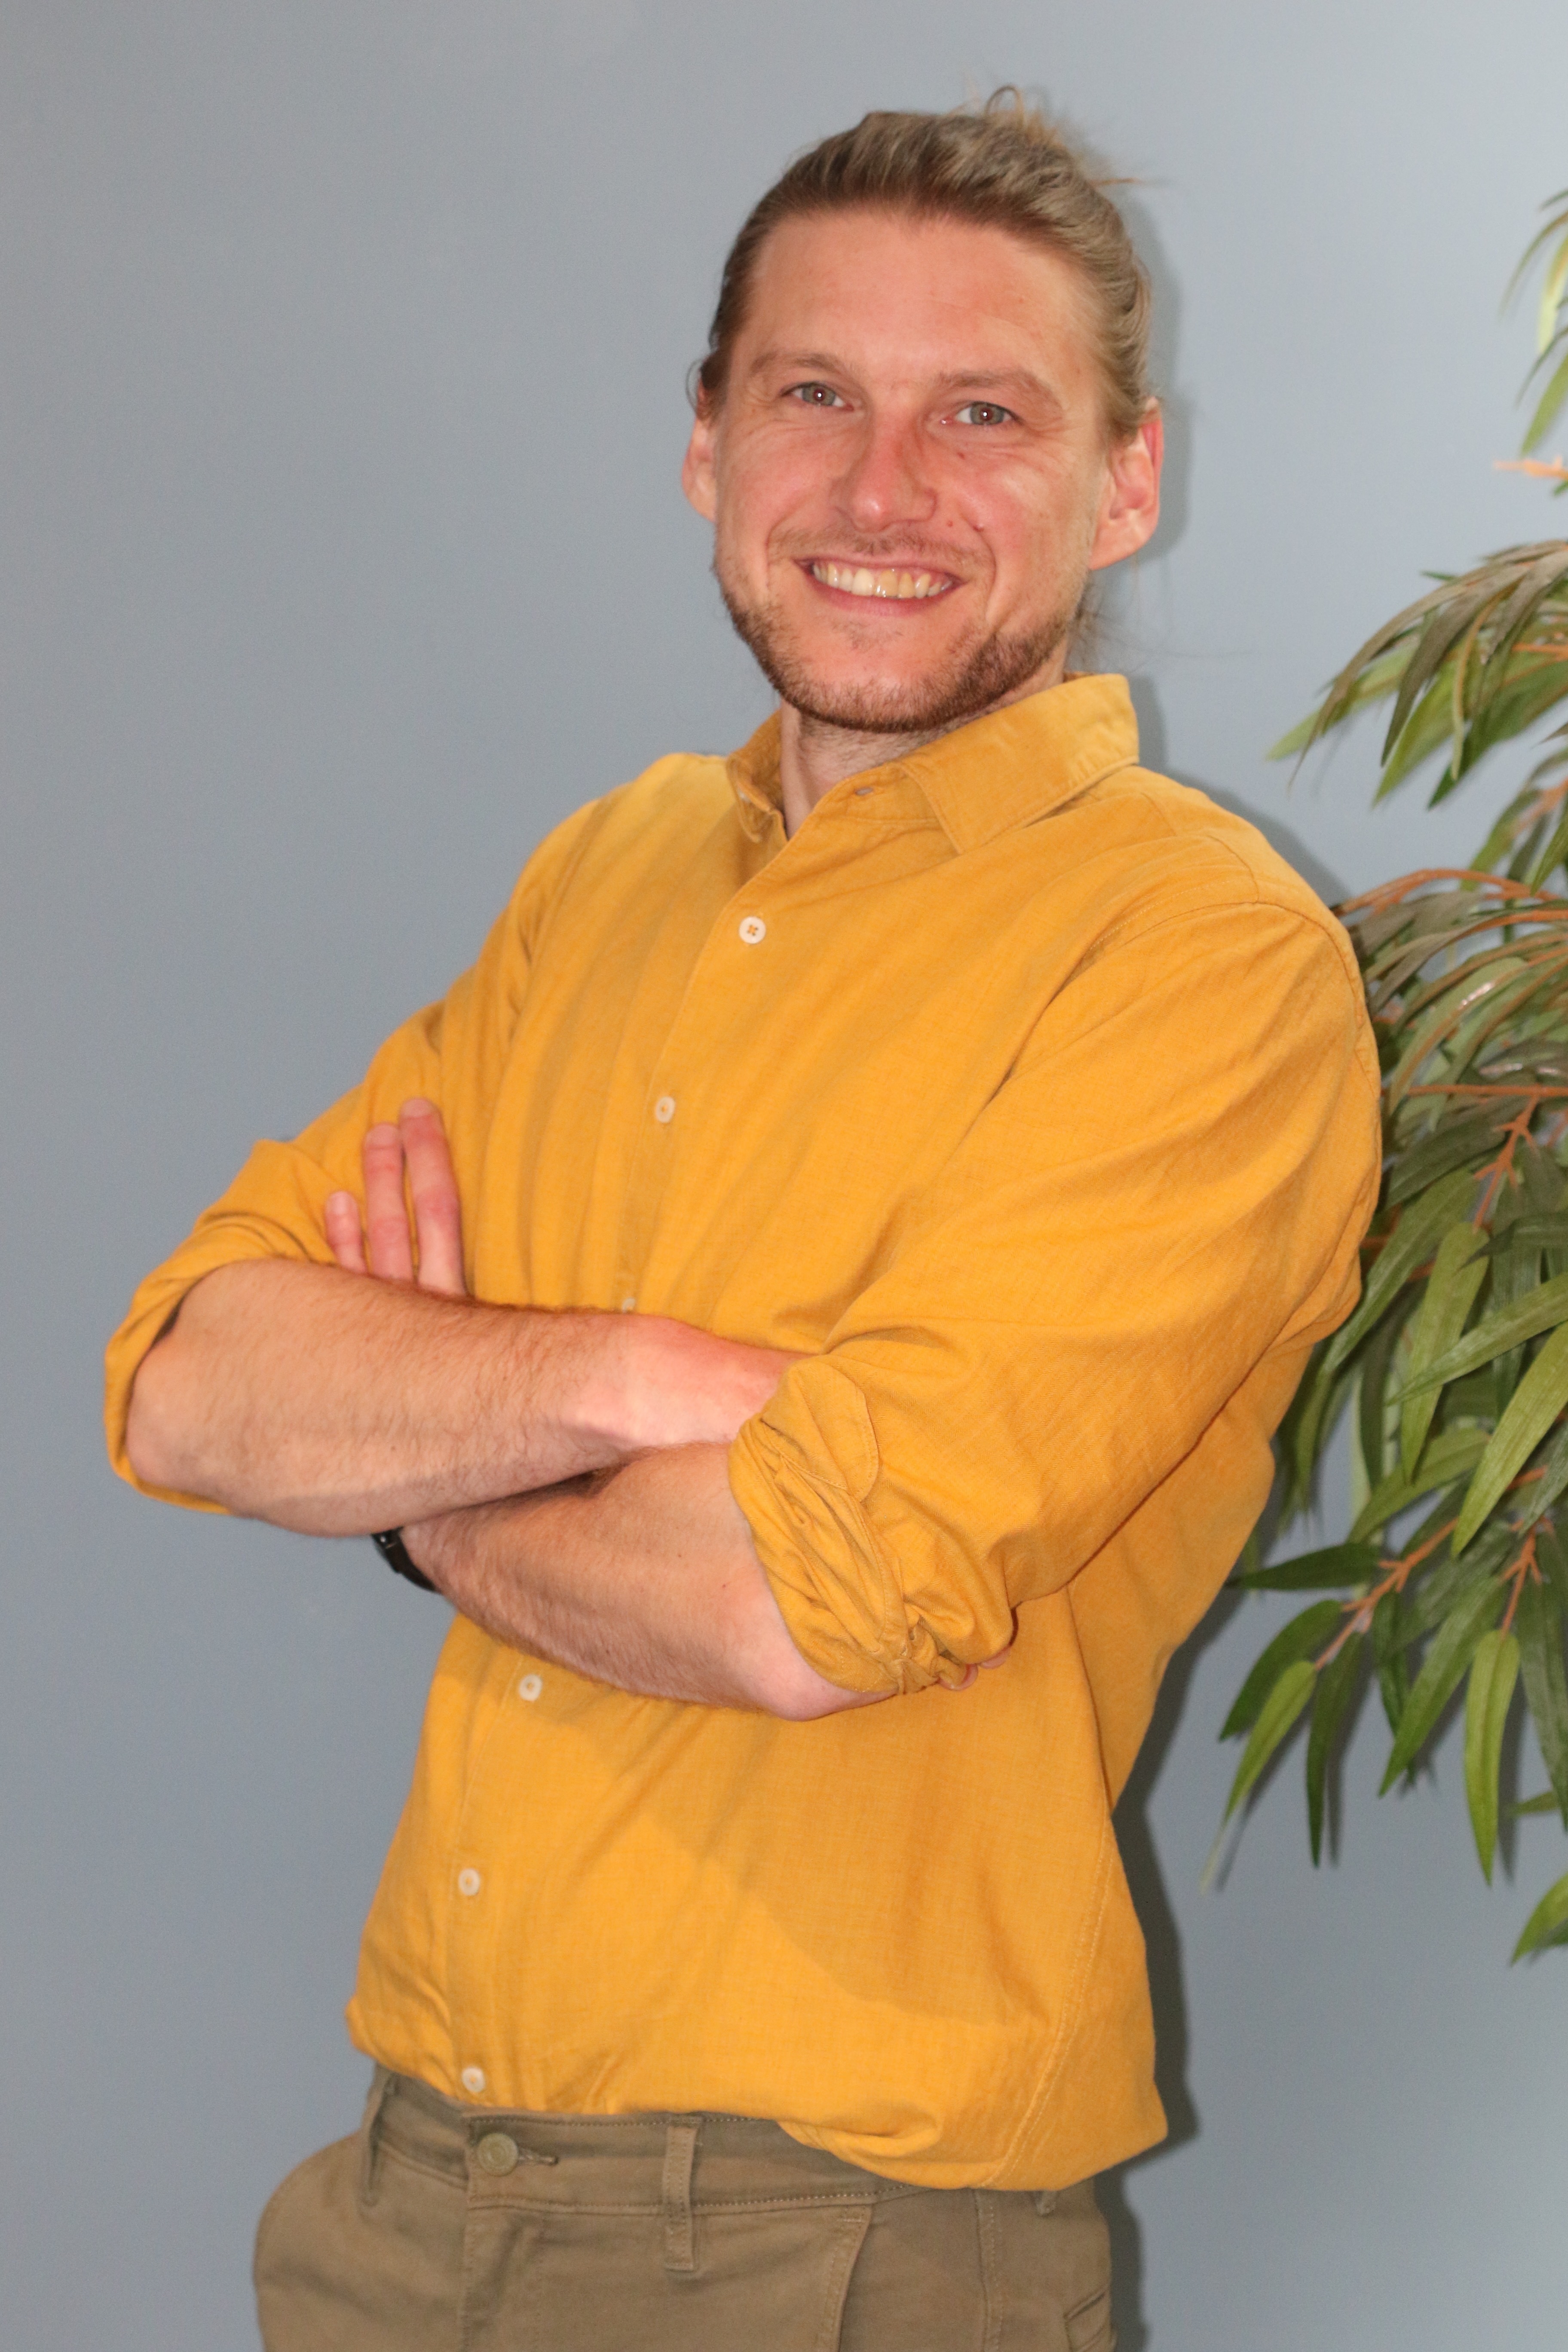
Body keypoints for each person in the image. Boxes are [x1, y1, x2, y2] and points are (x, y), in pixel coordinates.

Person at [106, 95, 1380, 2352]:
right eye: (815, 395)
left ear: (1125, 482)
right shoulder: (606, 876)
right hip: (399, 2191)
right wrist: (621, 1382)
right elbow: (190, 1383)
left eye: (983, 414)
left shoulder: (1201, 963)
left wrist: (426, 1482)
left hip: (834, 2243)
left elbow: (797, 1601)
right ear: (708, 444)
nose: (882, 491)